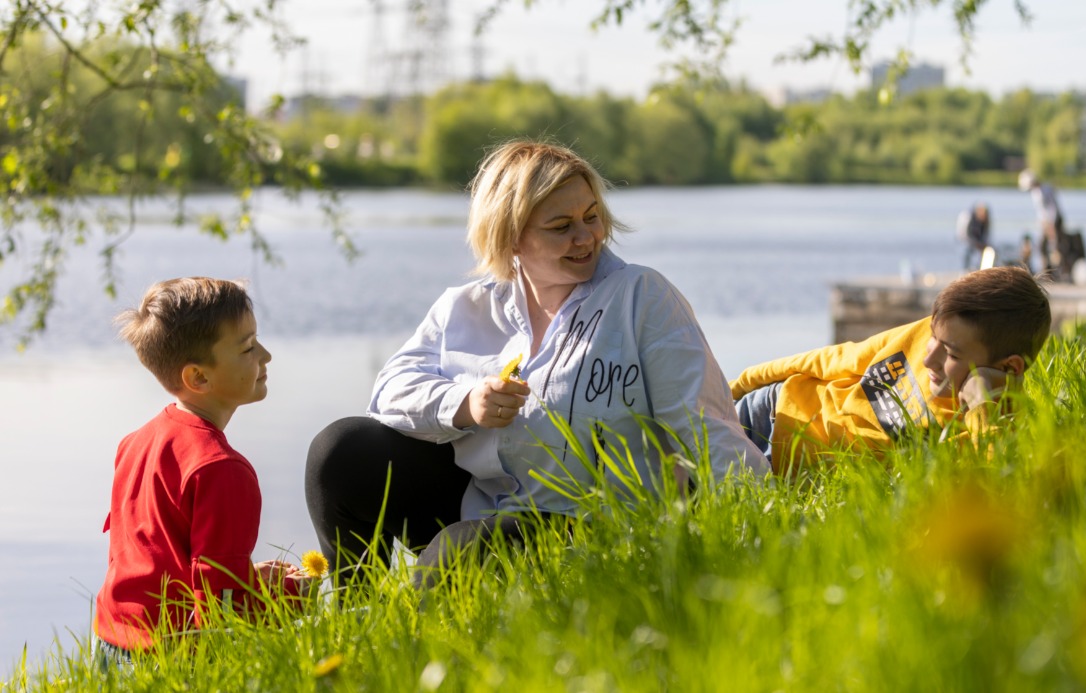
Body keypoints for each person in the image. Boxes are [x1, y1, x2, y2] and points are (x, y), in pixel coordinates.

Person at [305, 140, 769, 589]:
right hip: (483, 506)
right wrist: (464, 403)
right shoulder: (465, 307)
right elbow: (388, 392)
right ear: (509, 236)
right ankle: (357, 611)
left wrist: (766, 527)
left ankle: (421, 634)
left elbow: (704, 425)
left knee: (459, 549)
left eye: (592, 217)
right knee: (340, 451)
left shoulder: (642, 297)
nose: (586, 237)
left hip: (596, 526)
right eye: (561, 225)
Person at [93, 278, 311, 667]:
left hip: (110, 645)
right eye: (248, 347)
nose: (266, 355)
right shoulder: (222, 470)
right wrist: (292, 594)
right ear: (199, 378)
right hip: (168, 658)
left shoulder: (134, 443)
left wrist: (250, 577)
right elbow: (221, 614)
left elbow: (160, 558)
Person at [731, 266, 1051, 474]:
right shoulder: (934, 335)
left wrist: (983, 404)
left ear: (1009, 367)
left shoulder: (994, 431)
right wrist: (734, 387)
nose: (929, 359)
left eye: (950, 352)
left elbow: (998, 481)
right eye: (933, 339)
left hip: (781, 465)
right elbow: (836, 358)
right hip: (772, 407)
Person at [1017, 169, 1065, 278]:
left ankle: (1058, 272)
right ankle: (1046, 272)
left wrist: (1052, 225)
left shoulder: (1045, 190)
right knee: (1042, 247)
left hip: (1053, 222)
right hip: (1045, 223)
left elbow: (1053, 208)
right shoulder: (1036, 192)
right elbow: (1041, 211)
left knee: (1055, 247)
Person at [956, 203, 991, 271]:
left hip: (975, 242)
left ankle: (978, 269)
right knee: (966, 252)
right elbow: (964, 235)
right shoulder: (968, 217)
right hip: (964, 241)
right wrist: (976, 243)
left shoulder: (984, 221)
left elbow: (985, 235)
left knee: (983, 253)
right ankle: (965, 270)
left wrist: (983, 244)